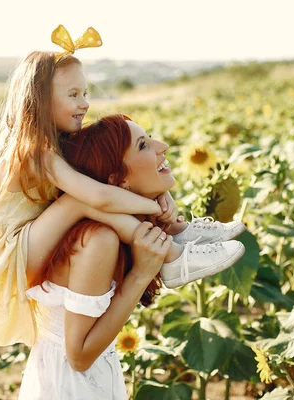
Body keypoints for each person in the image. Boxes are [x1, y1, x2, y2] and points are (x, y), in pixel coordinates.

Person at [0, 26, 246, 350]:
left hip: (33, 241)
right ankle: (173, 256)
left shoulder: (58, 142)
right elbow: (98, 195)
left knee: (90, 192)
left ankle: (178, 232)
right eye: (73, 95)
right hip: (10, 256)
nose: (85, 103)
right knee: (78, 202)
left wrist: (159, 192)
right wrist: (153, 207)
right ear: (40, 102)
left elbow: (106, 175)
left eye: (85, 93)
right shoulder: (35, 151)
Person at [19, 114, 245, 399]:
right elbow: (78, 357)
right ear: (117, 181)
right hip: (71, 386)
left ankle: (180, 236)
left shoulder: (113, 230)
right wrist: (140, 275)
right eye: (143, 145)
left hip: (87, 377)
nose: (161, 146)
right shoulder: (98, 240)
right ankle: (177, 256)